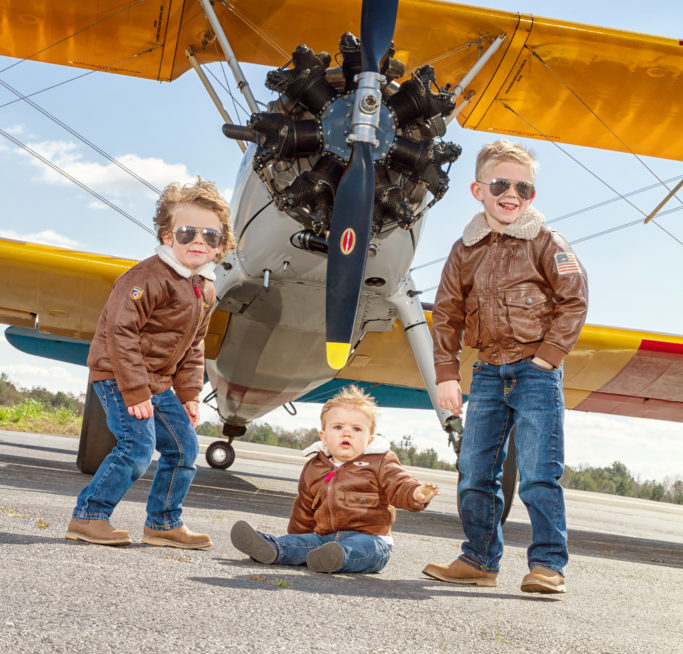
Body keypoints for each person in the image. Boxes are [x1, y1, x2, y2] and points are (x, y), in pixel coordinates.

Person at [422, 140, 588, 594]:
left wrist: (547, 357)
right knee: (475, 470)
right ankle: (479, 559)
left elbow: (574, 300)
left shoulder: (547, 242)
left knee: (539, 472)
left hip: (536, 372)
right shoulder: (463, 250)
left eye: (524, 187)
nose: (512, 193)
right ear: (478, 189)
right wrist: (446, 374)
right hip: (489, 372)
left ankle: (548, 566)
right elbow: (447, 313)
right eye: (501, 183)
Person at [66, 177, 235, 549]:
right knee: (137, 447)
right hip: (118, 376)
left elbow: (194, 345)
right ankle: (89, 516)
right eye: (188, 232)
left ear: (222, 247)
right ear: (165, 236)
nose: (198, 242)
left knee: (185, 449)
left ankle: (162, 523)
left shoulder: (205, 288)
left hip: (158, 383)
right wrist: (135, 389)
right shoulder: (146, 277)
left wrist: (190, 394)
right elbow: (119, 332)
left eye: (211, 236)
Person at [230, 385, 439, 573]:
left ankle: (336, 558)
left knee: (361, 549)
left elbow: (399, 483)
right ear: (323, 436)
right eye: (338, 427)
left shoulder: (380, 461)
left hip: (371, 540)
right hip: (324, 538)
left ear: (370, 439)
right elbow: (304, 508)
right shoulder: (315, 467)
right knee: (303, 544)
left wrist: (415, 493)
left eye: (356, 429)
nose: (346, 433)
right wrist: (297, 538)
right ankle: (272, 548)